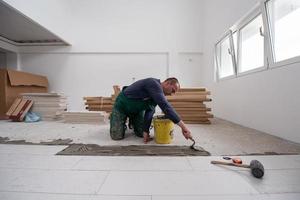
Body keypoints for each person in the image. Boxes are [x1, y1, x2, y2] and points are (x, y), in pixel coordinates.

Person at [110, 77, 193, 143]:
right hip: (122, 107)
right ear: (167, 83)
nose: (171, 94)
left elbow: (150, 112)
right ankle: (118, 121)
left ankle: (133, 121)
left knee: (141, 134)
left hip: (137, 111)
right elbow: (166, 107)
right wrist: (184, 127)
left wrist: (145, 131)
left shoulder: (156, 96)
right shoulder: (153, 83)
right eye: (172, 90)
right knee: (117, 137)